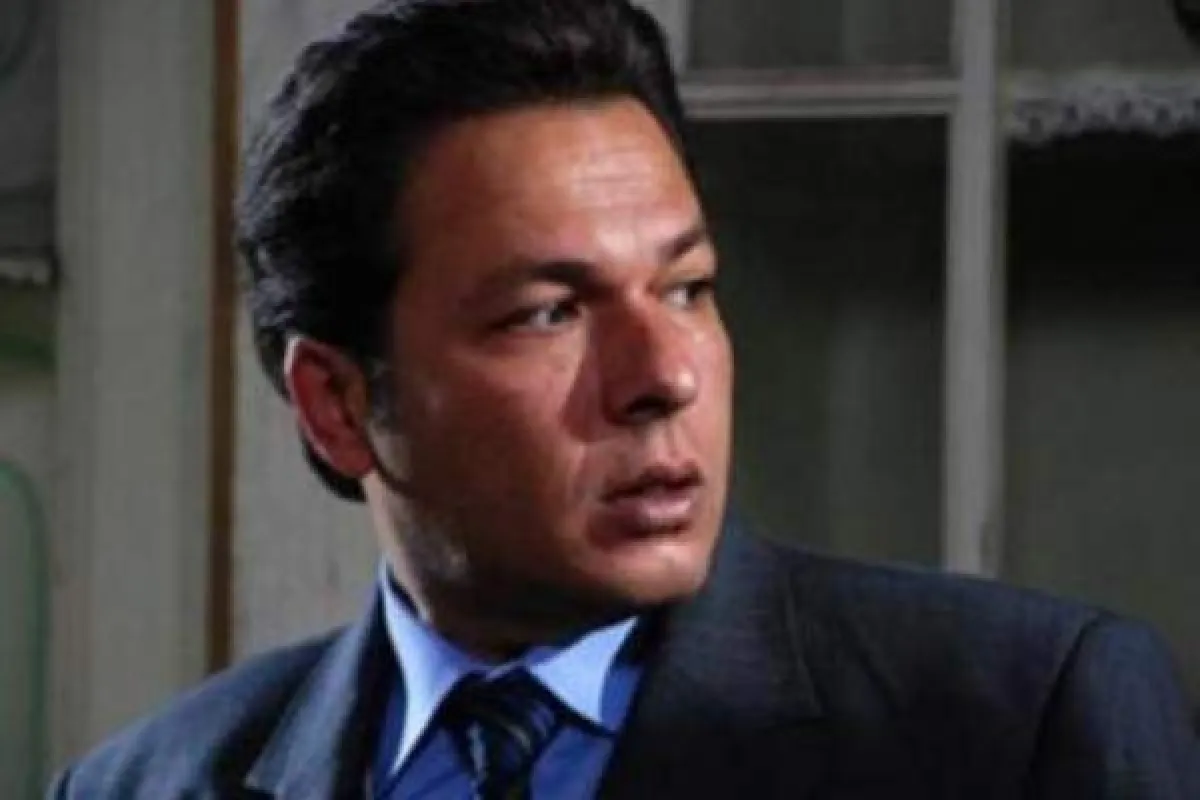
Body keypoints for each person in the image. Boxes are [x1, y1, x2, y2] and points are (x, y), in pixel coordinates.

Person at [50, 1, 1200, 797]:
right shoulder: (138, 784)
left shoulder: (1019, 725)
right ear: (338, 403)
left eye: (687, 288)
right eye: (549, 312)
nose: (665, 375)